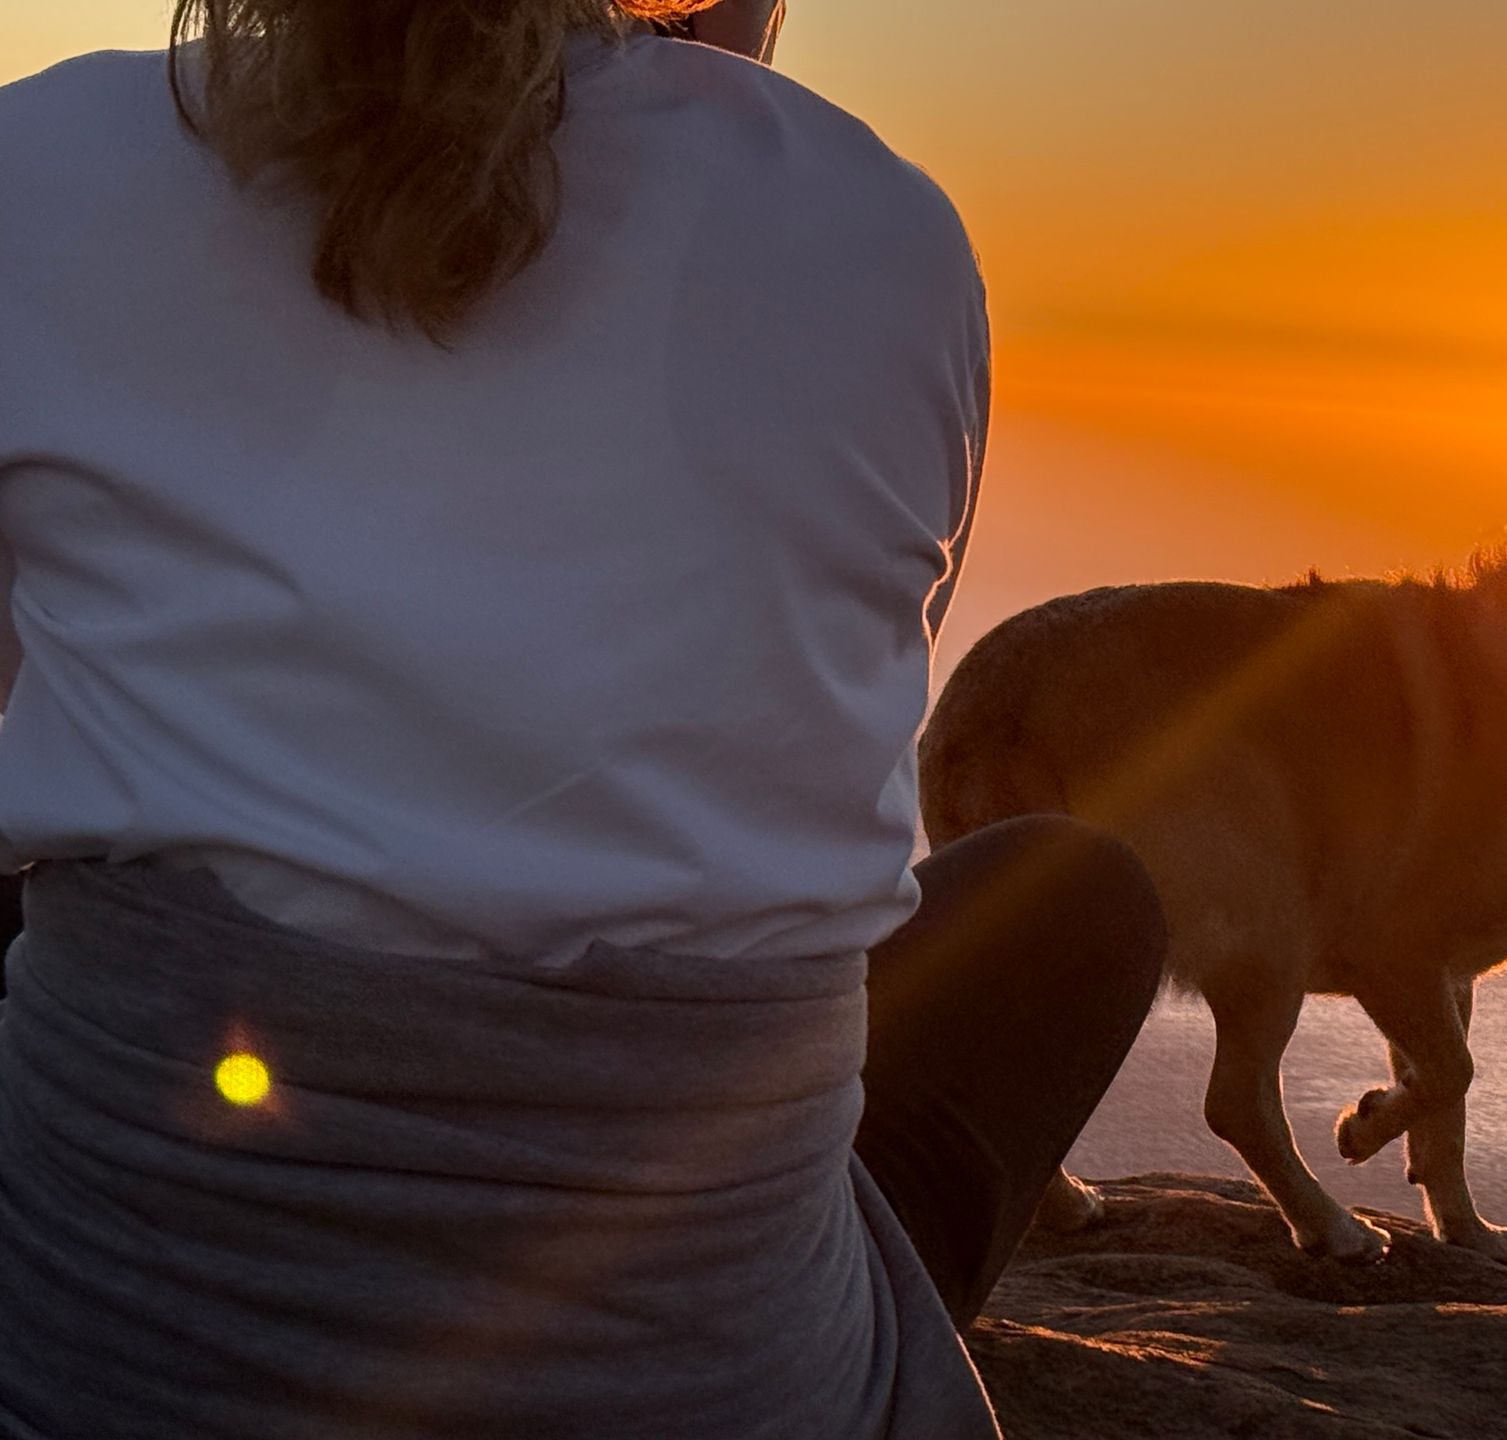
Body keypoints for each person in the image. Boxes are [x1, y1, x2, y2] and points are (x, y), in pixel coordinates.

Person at [0, 4, 1167, 1437]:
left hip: (106, 1375)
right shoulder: (886, 234)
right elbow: (795, 737)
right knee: (1074, 897)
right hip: (710, 1385)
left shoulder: (44, 163)